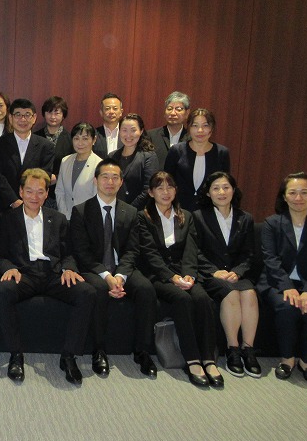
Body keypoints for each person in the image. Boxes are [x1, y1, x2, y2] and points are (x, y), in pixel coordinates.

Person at [0, 169, 94, 385]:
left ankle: (68, 356)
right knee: (3, 291)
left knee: (86, 292)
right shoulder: (8, 219)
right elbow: (0, 255)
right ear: (21, 191)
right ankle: (16, 355)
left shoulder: (58, 219)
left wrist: (69, 268)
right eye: (29, 191)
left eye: (40, 192)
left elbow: (68, 253)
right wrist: (9, 268)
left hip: (53, 273)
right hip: (24, 273)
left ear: (47, 194)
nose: (34, 196)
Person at [69, 159, 158, 378]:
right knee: (99, 289)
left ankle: (142, 350)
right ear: (95, 180)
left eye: (115, 177)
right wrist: (107, 276)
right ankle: (99, 350)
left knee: (146, 289)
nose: (110, 182)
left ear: (121, 182)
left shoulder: (131, 212)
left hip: (122, 268)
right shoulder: (81, 211)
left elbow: (132, 250)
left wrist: (120, 276)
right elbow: (82, 252)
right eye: (105, 177)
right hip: (94, 268)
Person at [138, 171, 221, 388]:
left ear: (176, 190)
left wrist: (189, 275)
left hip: (184, 271)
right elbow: (149, 254)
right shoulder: (143, 217)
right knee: (182, 299)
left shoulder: (186, 215)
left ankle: (209, 359)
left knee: (203, 298)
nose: (166, 192)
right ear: (151, 192)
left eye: (170, 187)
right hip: (158, 274)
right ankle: (192, 359)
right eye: (160, 188)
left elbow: (191, 250)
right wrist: (172, 277)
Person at [260, 172, 307, 386]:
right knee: (287, 307)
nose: (298, 198)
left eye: (304, 193)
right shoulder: (272, 223)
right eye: (292, 193)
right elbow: (270, 259)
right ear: (284, 196)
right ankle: (287, 359)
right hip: (277, 282)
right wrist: (287, 286)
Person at [193, 171, 260, 378]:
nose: (221, 192)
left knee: (249, 294)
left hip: (237, 274)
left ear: (233, 190)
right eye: (216, 188)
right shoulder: (198, 217)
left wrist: (237, 272)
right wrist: (214, 271)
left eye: (226, 187)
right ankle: (233, 349)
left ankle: (248, 349)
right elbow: (195, 251)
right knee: (231, 294)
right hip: (210, 275)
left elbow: (249, 253)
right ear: (208, 193)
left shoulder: (245, 218)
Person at [0, 98, 54, 211]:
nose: (22, 119)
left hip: (34, 206)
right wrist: (14, 201)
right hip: (5, 207)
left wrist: (28, 201)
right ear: (10, 118)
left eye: (27, 115)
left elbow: (45, 177)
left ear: (34, 118)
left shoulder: (46, 146)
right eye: (18, 115)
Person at [164, 108, 230, 212]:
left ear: (212, 128)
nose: (200, 130)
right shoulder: (176, 151)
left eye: (205, 125)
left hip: (209, 211)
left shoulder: (221, 152)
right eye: (195, 125)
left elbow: (225, 184)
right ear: (189, 127)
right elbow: (167, 182)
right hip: (179, 210)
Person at [109, 113, 159, 210]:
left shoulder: (148, 156)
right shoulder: (112, 156)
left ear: (141, 131)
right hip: (114, 210)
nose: (128, 135)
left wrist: (129, 210)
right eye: (124, 130)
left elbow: (148, 189)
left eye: (133, 130)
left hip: (139, 212)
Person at [34, 96, 74, 210]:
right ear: (44, 114)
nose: (52, 117)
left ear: (63, 115)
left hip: (62, 190)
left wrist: (57, 177)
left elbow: (72, 165)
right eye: (49, 112)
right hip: (37, 190)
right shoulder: (35, 137)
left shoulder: (70, 139)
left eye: (57, 113)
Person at [56, 122, 102, 219]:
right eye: (76, 138)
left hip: (88, 218)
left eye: (85, 139)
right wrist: (64, 214)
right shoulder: (65, 161)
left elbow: (97, 196)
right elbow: (59, 190)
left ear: (94, 140)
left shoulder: (99, 165)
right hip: (66, 216)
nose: (80, 143)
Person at [148, 91, 190, 167]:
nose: (173, 113)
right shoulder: (151, 136)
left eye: (178, 109)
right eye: (169, 108)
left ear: (187, 113)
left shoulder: (191, 138)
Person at [93, 92, 123, 158]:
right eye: (107, 108)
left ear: (121, 112)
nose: (111, 112)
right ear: (101, 112)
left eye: (115, 108)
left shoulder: (128, 135)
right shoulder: (93, 134)